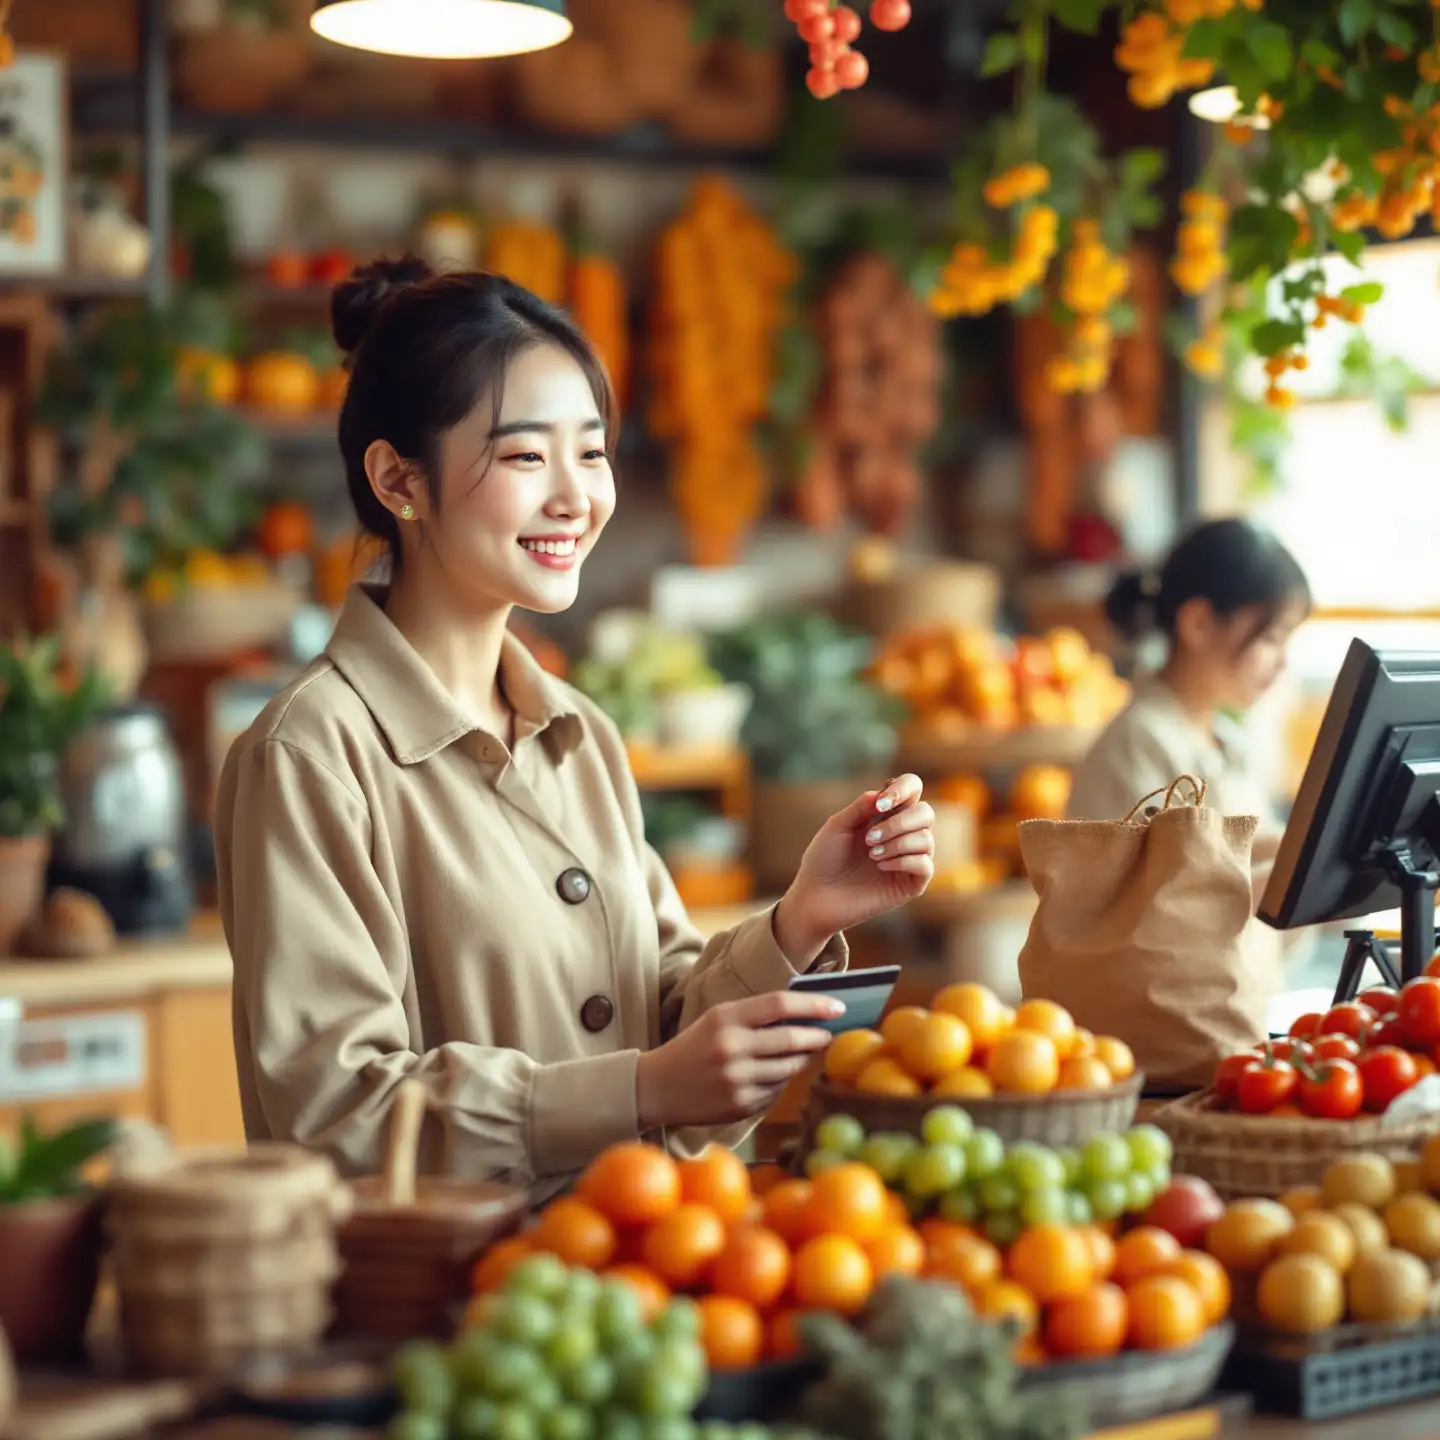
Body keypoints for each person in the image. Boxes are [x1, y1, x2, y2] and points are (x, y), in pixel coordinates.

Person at [213, 256, 935, 1201]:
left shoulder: (579, 732)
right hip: (452, 1285)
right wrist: (638, 1090)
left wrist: (801, 919)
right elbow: (333, 1113)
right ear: (398, 479)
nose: (575, 497)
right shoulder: (310, 755)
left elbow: (660, 1022)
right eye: (525, 457)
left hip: (635, 1254)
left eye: (590, 453)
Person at [1069, 516, 1312, 905]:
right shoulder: (1138, 744)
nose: (1282, 663)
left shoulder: (1226, 738)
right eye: (1270, 638)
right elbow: (1159, 910)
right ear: (1198, 623)